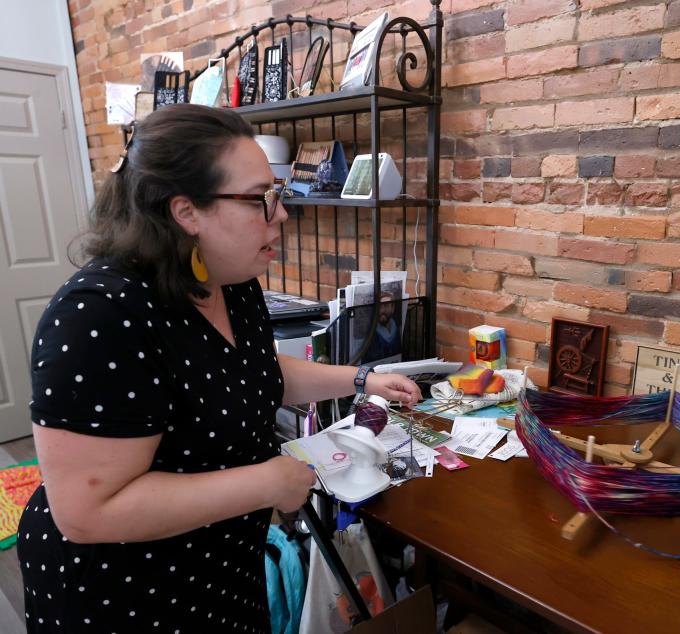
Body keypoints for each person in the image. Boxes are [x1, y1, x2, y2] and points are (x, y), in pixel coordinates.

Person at [18, 103, 421, 633]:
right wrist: (266, 483)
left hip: (222, 565)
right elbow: (88, 510)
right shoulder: (100, 315)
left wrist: (360, 378)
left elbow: (247, 370)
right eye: (260, 200)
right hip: (127, 593)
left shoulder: (231, 281)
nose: (280, 214)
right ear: (186, 212)